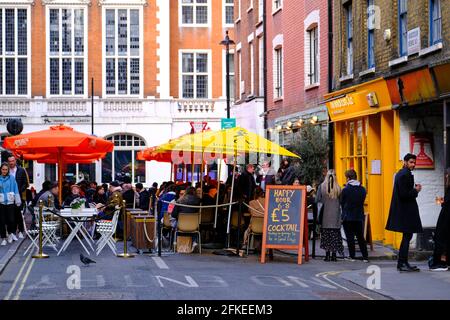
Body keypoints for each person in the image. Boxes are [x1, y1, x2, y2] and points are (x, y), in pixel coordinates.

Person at [386, 153, 423, 272]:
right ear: (405, 162)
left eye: (414, 162)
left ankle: (403, 262)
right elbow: (404, 194)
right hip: (406, 211)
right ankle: (402, 263)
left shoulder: (401, 173)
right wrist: (416, 190)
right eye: (411, 162)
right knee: (407, 236)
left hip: (404, 210)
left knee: (407, 236)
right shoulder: (404, 175)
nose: (413, 164)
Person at [341, 169, 369, 263]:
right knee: (360, 237)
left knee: (350, 237)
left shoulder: (345, 190)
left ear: (348, 178)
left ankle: (352, 256)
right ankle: (365, 256)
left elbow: (342, 202)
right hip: (358, 216)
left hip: (348, 216)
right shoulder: (363, 189)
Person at [316, 169, 344, 262]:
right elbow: (341, 202)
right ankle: (334, 255)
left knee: (326, 235)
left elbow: (317, 200)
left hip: (325, 216)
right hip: (335, 216)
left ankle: (327, 255)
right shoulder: (338, 188)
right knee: (335, 235)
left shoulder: (321, 187)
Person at [429, 168, 450, 271]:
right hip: (445, 217)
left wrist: (443, 202)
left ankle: (439, 263)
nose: (446, 177)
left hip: (445, 218)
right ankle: (442, 262)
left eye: (447, 175)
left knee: (441, 239)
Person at [0, 163, 22, 245]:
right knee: (2, 221)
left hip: (10, 202)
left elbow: (15, 189)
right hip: (1, 202)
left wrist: (17, 200)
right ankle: (3, 238)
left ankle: (10, 234)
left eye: (6, 169)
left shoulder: (12, 178)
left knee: (11, 220)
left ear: (8, 170)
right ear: (1, 170)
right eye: (3, 169)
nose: (4, 171)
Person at [7, 155, 29, 240]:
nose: (11, 163)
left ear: (15, 161)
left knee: (19, 214)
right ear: (8, 162)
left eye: (12, 161)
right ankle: (12, 232)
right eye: (10, 161)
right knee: (10, 215)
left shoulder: (21, 170)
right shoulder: (6, 171)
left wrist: (19, 190)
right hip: (8, 196)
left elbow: (26, 183)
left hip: (18, 195)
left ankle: (20, 231)